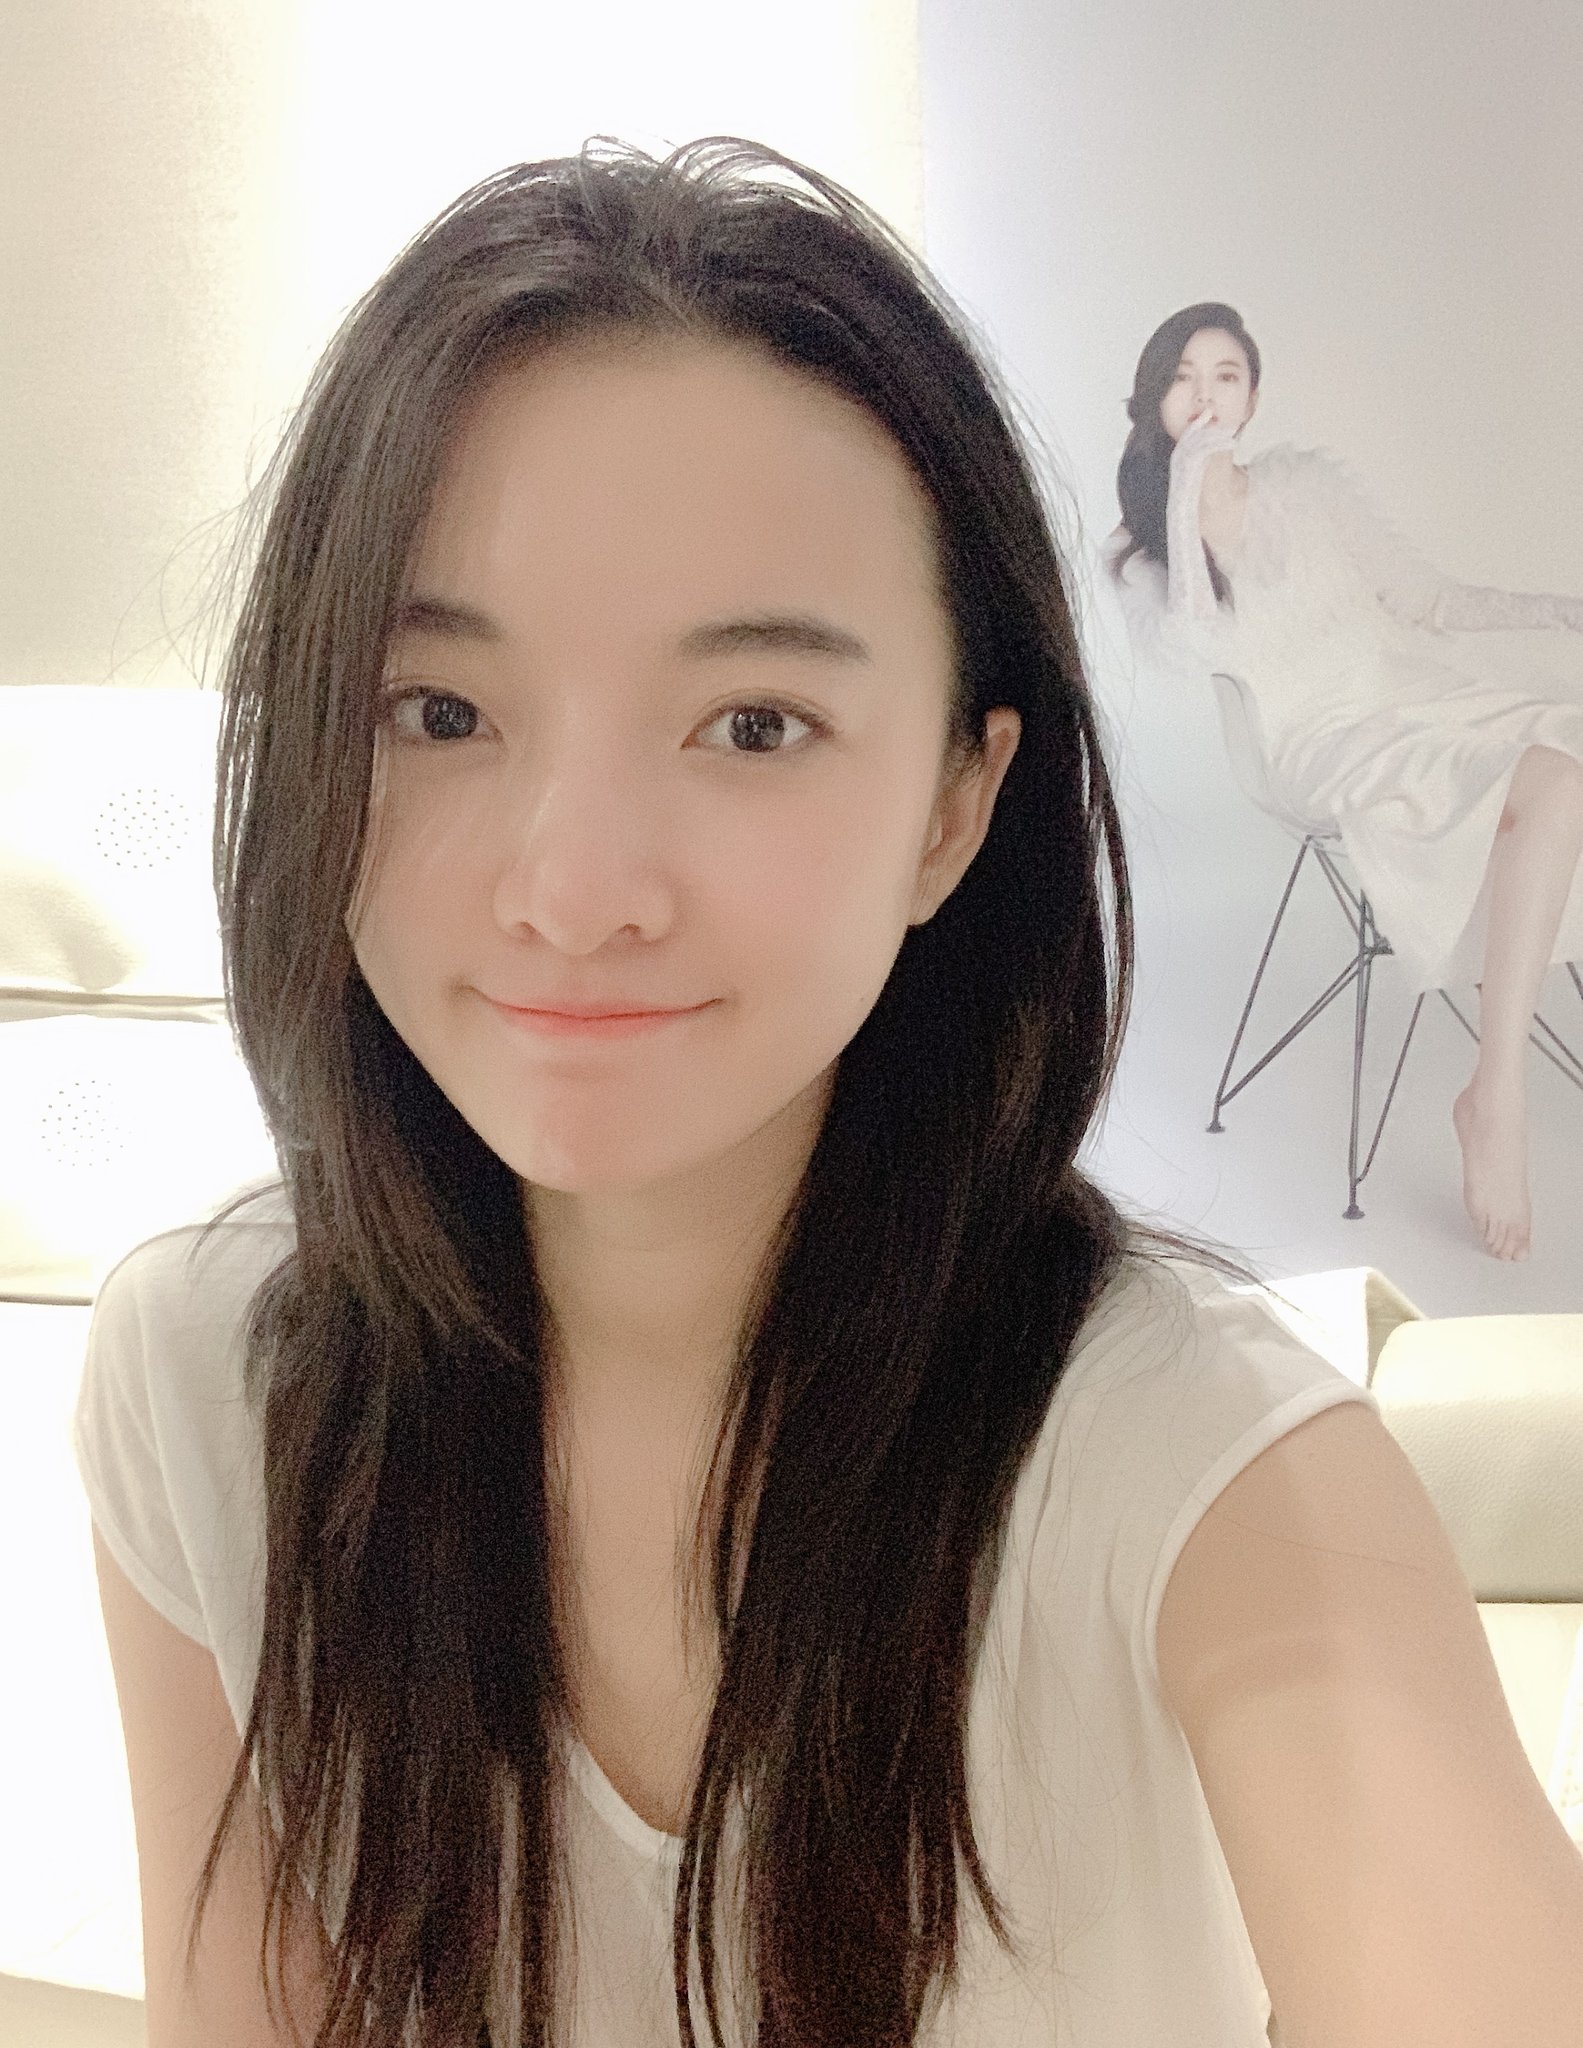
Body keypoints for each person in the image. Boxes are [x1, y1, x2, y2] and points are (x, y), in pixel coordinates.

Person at [72, 147, 1583, 2048]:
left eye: (753, 725)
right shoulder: (205, 1385)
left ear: (954, 803)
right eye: (438, 712)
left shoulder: (1202, 1469)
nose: (574, 890)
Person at [1107, 302, 1583, 1264]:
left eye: (1226, 376)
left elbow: (1429, 601)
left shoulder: (1307, 486)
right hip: (1318, 742)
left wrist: (1562, 609)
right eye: (1184, 377)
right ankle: (1497, 1093)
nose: (1205, 396)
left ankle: (1491, 1081)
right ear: (1155, 397)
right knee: (1558, 780)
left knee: (1565, 761)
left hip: (1417, 697)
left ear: (1253, 396)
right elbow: (1193, 646)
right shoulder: (1139, 550)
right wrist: (1188, 489)